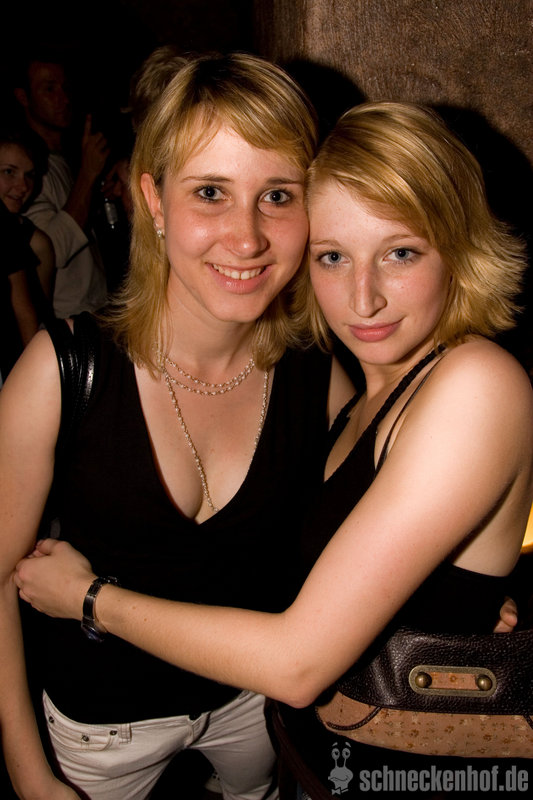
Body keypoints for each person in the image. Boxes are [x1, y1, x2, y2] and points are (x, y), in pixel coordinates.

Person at [14, 102, 533, 796]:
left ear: (457, 246)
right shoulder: (358, 394)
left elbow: (297, 664)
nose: (364, 299)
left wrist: (87, 598)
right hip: (310, 750)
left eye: (400, 252)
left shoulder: (475, 382)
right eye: (332, 256)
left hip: (408, 768)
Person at [0, 52, 355, 800]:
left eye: (278, 195)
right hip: (101, 726)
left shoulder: (321, 376)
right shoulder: (61, 372)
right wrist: (31, 776)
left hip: (253, 701)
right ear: (152, 200)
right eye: (210, 192)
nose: (247, 237)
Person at [13, 49, 109, 318]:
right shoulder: (27, 171)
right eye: (49, 89)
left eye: (65, 87)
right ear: (23, 97)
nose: (64, 98)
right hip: (68, 319)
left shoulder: (62, 158)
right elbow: (51, 250)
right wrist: (88, 175)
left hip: (97, 309)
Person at [0, 127, 55, 318]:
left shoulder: (37, 244)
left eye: (30, 175)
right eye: (9, 172)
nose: (23, 186)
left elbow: (37, 320)